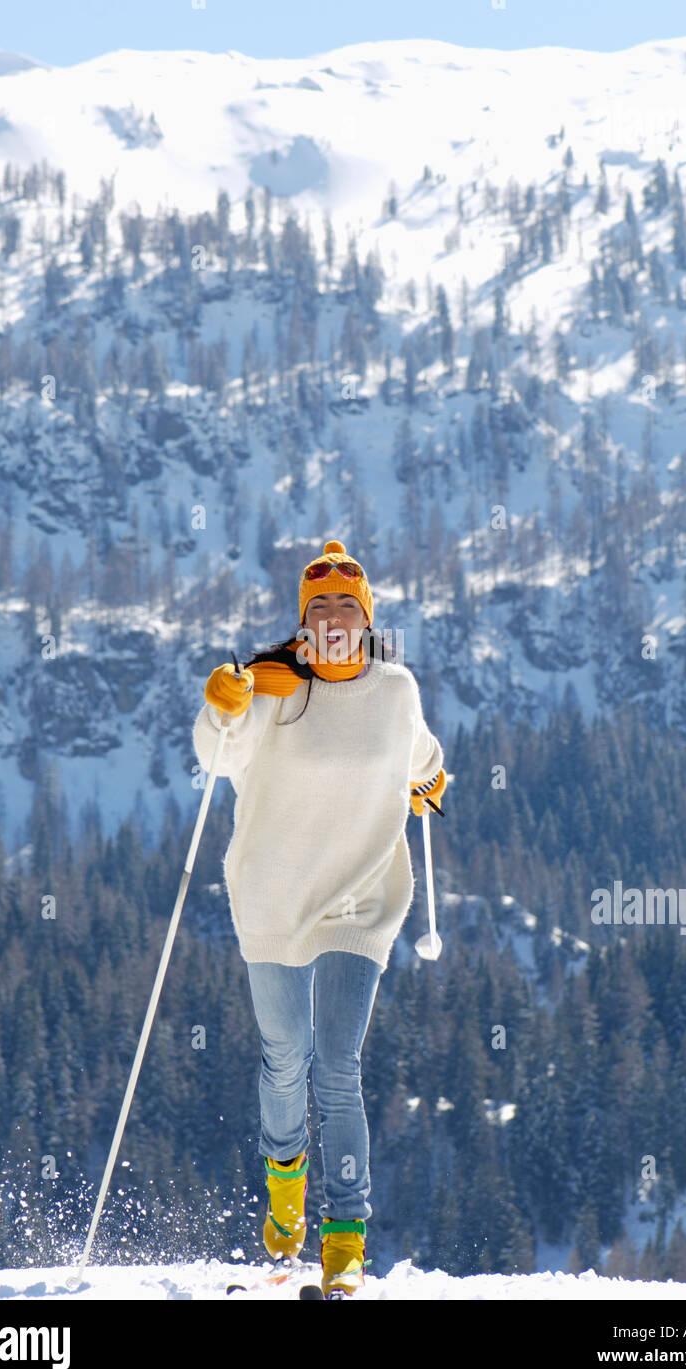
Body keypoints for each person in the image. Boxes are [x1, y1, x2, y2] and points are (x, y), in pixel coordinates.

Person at [192, 539, 447, 1297]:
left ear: (365, 622)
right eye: (320, 609)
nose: (333, 619)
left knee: (337, 1066)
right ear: (302, 622)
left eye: (346, 607)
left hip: (362, 896)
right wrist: (220, 705)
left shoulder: (395, 690)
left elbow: (421, 759)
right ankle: (283, 1201)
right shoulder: (267, 689)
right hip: (273, 894)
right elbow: (216, 755)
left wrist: (431, 782)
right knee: (284, 1058)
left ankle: (344, 1243)